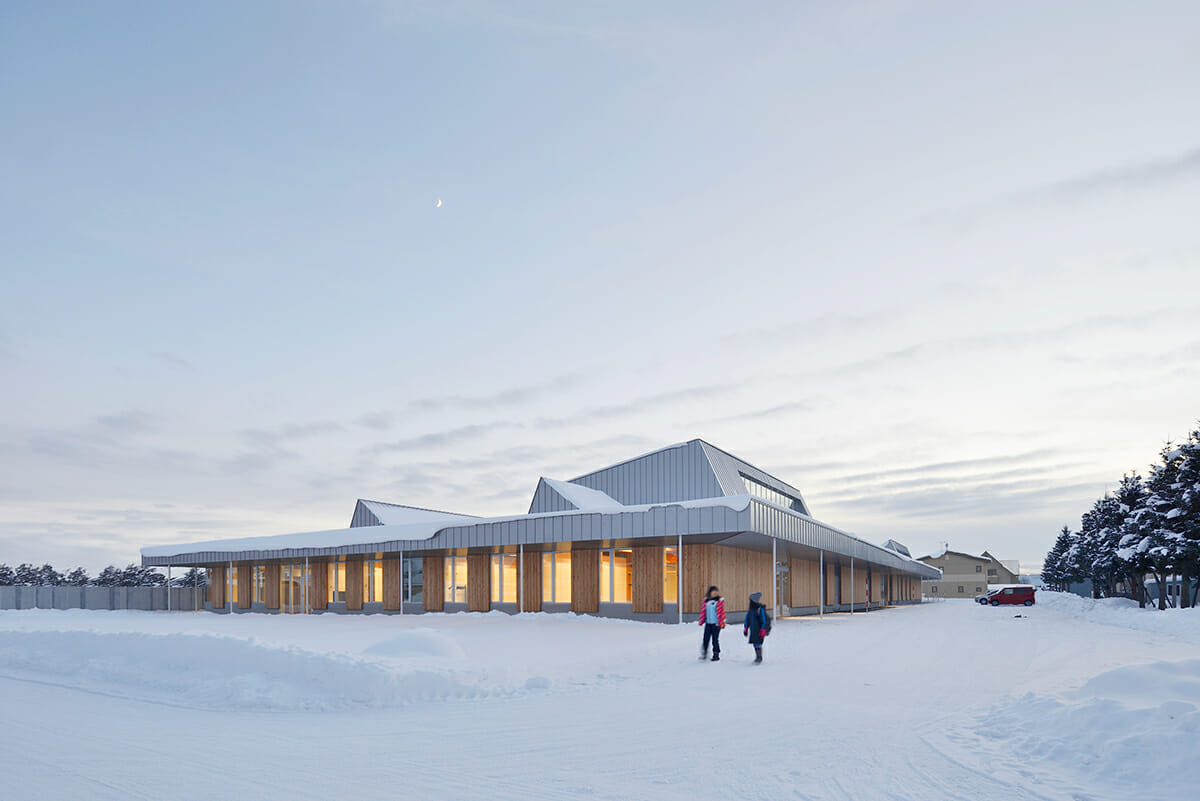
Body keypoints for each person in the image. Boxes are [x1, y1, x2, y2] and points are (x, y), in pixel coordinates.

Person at [698, 585, 725, 661]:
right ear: (710, 592)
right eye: (714, 591)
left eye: (716, 592)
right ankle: (704, 653)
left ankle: (716, 654)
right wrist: (701, 620)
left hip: (716, 624)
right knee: (705, 639)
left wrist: (722, 622)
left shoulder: (719, 602)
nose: (715, 593)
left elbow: (722, 613)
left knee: (715, 640)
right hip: (708, 624)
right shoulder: (706, 602)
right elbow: (703, 612)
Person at [743, 591, 771, 664]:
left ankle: (759, 657)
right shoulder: (751, 610)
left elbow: (763, 619)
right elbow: (747, 619)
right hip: (753, 630)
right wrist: (746, 627)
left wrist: (763, 628)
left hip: (759, 630)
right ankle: (757, 656)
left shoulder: (759, 609)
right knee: (755, 644)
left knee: (758, 643)